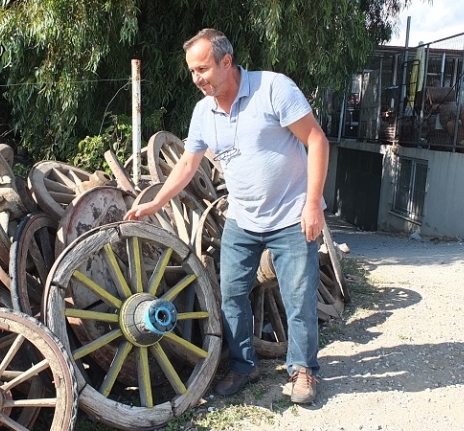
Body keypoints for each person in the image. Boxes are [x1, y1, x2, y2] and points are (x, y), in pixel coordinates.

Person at [124, 28, 329, 404]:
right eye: (191, 71)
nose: (196, 78)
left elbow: (316, 140)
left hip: (291, 216)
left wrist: (312, 204)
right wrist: (156, 203)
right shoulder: (204, 112)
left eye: (202, 69)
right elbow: (188, 163)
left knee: (298, 299)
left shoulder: (273, 89)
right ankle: (243, 365)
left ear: (227, 62)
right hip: (242, 220)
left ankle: (303, 371)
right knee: (232, 296)